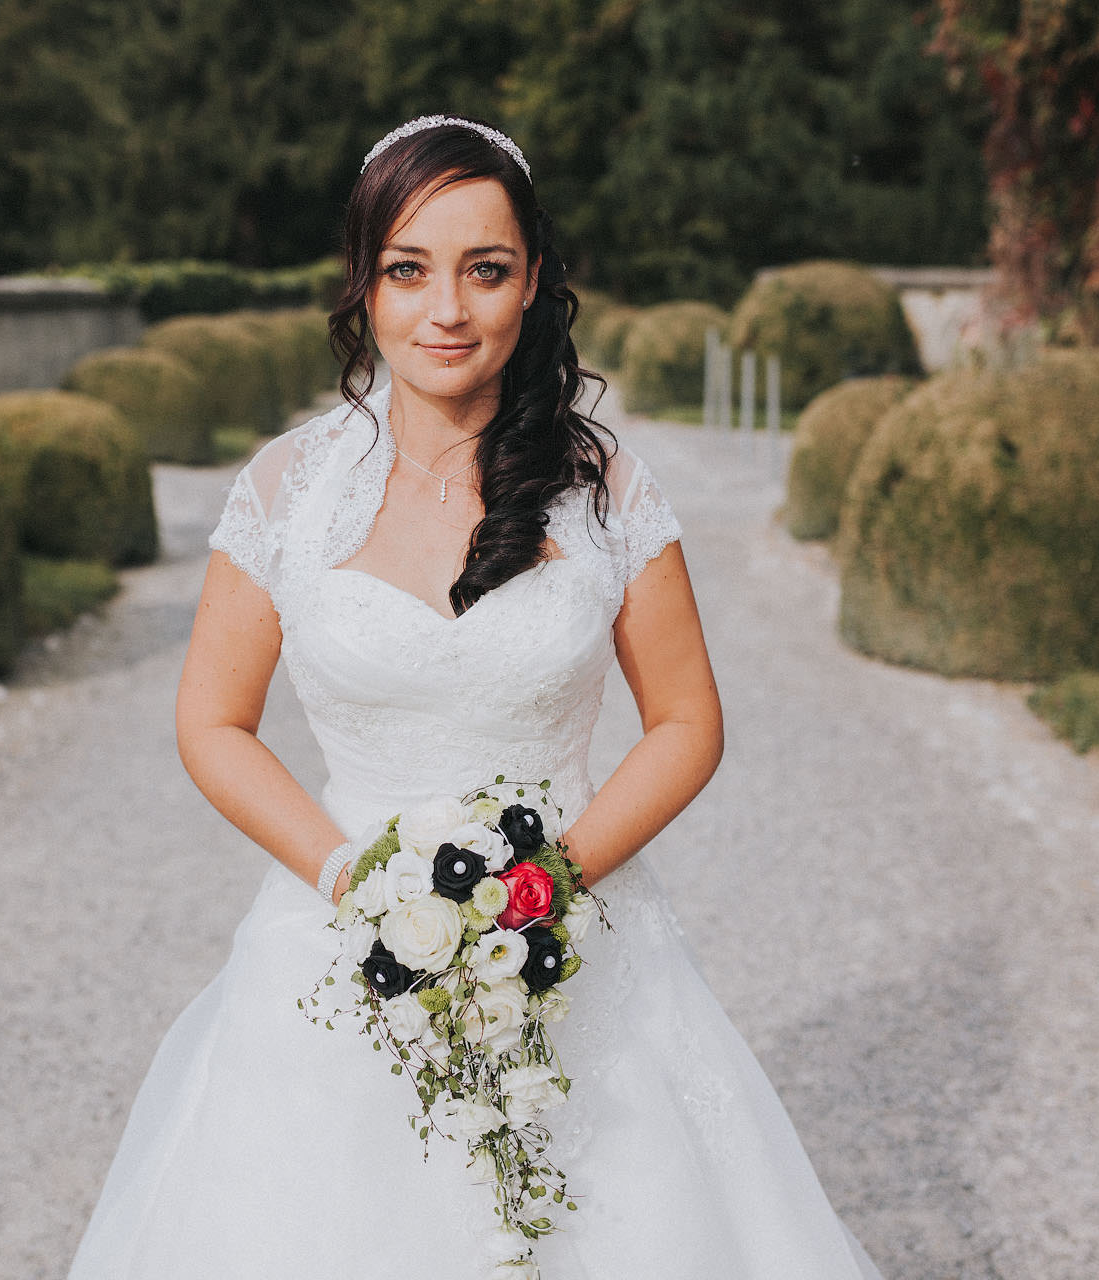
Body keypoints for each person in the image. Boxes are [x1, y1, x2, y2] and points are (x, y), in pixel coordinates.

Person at [65, 113, 884, 1279]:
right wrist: (349, 875)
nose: (446, 309)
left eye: (484, 270)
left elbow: (688, 722)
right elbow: (211, 720)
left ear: (534, 280)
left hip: (580, 933)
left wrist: (552, 884)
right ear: (364, 283)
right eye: (409, 270)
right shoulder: (288, 490)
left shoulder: (606, 489)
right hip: (339, 931)